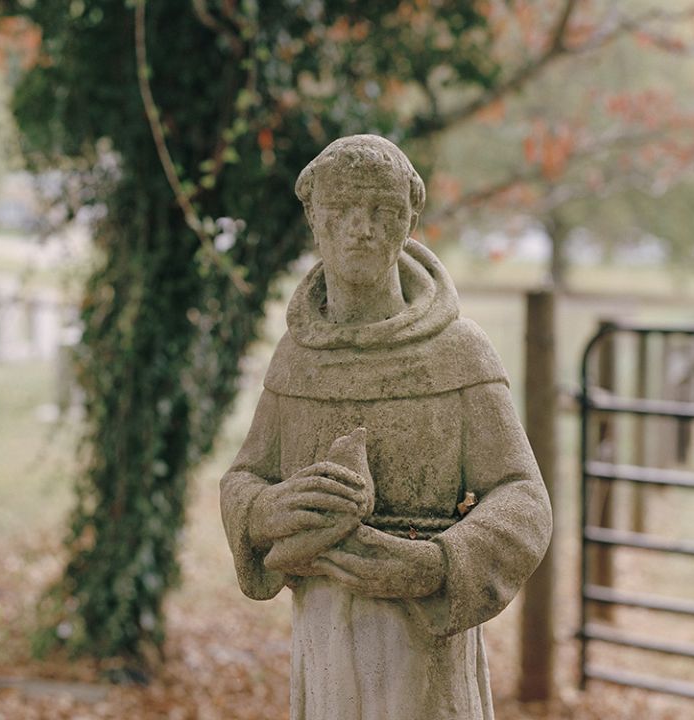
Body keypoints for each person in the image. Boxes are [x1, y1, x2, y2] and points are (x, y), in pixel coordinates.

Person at [220, 134, 552, 720]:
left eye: (381, 210)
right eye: (341, 210)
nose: (360, 228)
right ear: (314, 219)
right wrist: (265, 511)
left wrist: (441, 564)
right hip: (323, 643)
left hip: (424, 651)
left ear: (410, 219)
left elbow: (523, 498)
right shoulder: (298, 356)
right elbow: (245, 475)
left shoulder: (457, 353)